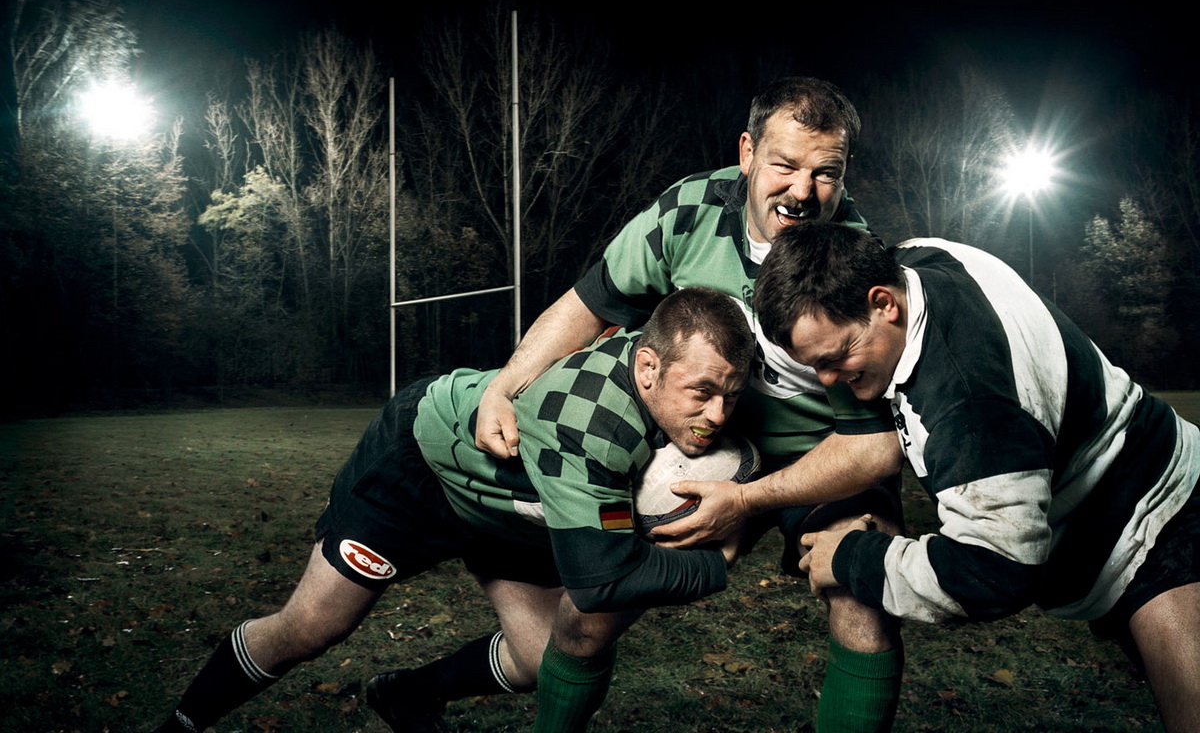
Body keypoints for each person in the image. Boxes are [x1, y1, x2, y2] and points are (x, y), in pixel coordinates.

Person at [474, 76, 906, 732]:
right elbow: (586, 305)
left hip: (822, 457)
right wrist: (503, 387)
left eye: (826, 173)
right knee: (588, 614)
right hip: (704, 446)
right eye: (785, 165)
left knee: (863, 594)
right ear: (747, 153)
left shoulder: (859, 261)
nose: (803, 191)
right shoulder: (689, 211)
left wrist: (750, 500)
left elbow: (876, 447)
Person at [151, 286, 754, 733]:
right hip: (421, 470)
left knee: (538, 660)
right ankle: (181, 723)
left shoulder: (669, 365)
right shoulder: (589, 426)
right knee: (310, 629)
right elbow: (603, 583)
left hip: (513, 504)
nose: (718, 415)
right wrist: (716, 563)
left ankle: (406, 694)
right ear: (647, 368)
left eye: (730, 396)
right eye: (701, 393)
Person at [753, 223, 1200, 733]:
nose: (828, 380)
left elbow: (996, 570)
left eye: (836, 358)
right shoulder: (918, 257)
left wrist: (851, 557)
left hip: (1158, 520)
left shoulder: (969, 404)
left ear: (883, 304)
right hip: (1119, 521)